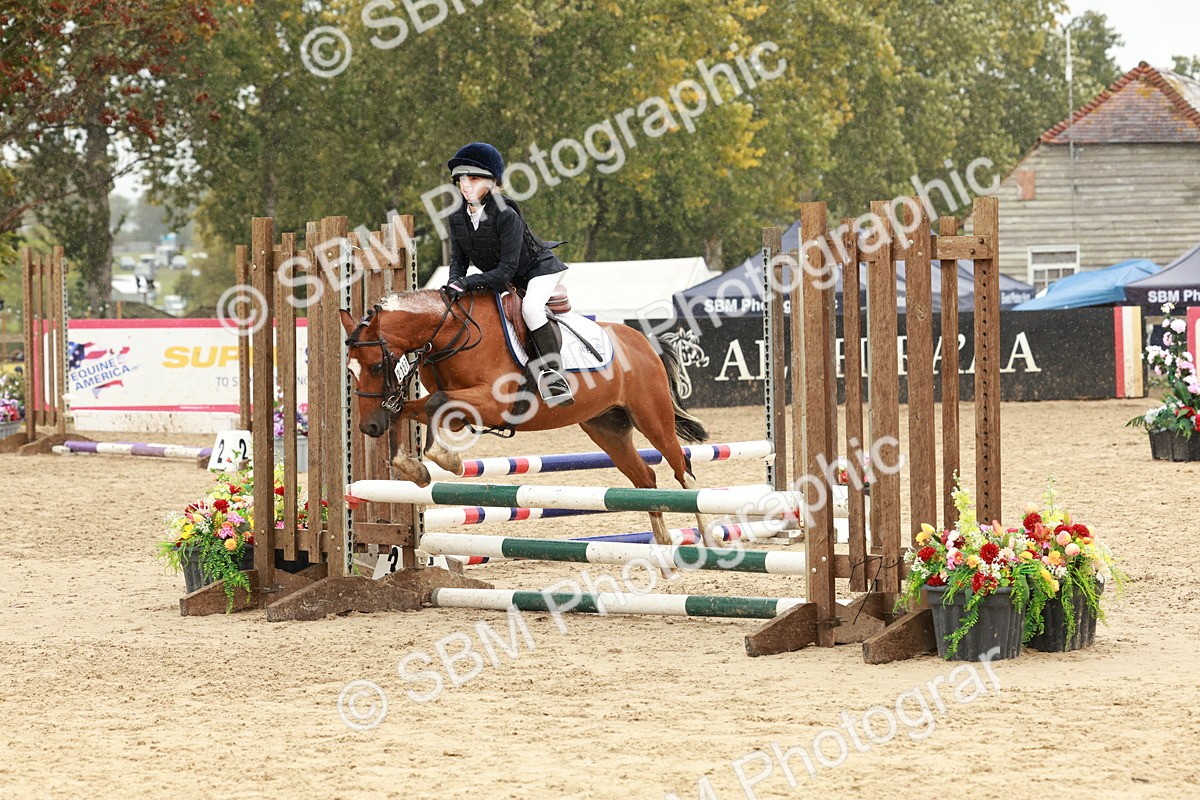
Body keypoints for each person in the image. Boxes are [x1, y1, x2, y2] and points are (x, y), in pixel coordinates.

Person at [442, 142, 574, 406]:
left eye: (474, 178)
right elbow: (458, 261)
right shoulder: (457, 217)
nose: (465, 185)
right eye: (461, 179)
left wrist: (465, 283)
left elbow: (505, 271)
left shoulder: (506, 214)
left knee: (532, 309)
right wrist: (453, 285)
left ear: (493, 183)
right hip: (504, 275)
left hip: (537, 271)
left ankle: (553, 375)